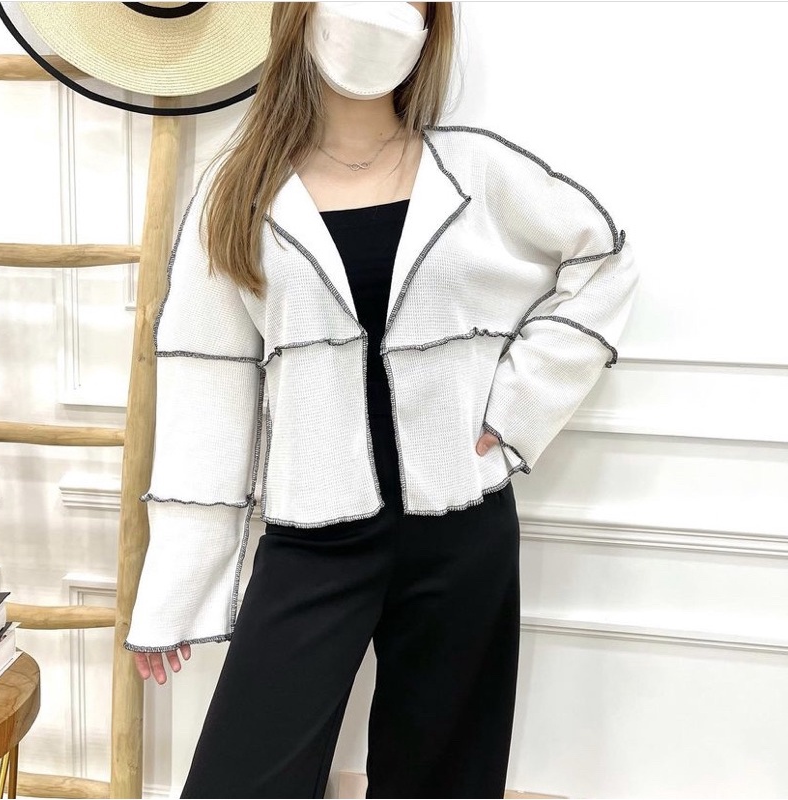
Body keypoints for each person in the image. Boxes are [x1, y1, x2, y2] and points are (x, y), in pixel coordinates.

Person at [123, 2, 639, 797]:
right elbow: (207, 388)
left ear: (431, 24)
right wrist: (176, 585)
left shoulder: (476, 172)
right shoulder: (238, 194)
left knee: (444, 782)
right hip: (312, 540)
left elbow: (604, 259)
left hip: (462, 529)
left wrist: (516, 408)